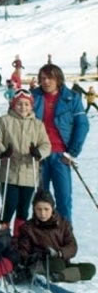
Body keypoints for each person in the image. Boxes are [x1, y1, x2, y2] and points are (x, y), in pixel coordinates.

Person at [32, 64, 90, 222]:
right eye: (42, 78)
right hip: (39, 155)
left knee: (63, 199)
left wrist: (72, 152)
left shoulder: (71, 97)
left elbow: (82, 125)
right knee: (40, 200)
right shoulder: (33, 96)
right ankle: (39, 238)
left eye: (49, 78)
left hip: (61, 156)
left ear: (58, 79)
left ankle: (64, 236)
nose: (46, 82)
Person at [0, 89, 50, 234]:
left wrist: (38, 153)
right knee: (9, 205)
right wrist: (3, 151)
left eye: (26, 104)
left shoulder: (37, 124)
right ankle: (3, 235)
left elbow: (46, 144)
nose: (23, 107)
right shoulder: (5, 121)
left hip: (29, 173)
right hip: (10, 171)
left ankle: (19, 237)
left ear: (31, 106)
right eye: (20, 104)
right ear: (13, 105)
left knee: (24, 208)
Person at [17, 190, 95, 283]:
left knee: (90, 269)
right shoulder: (28, 227)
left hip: (61, 261)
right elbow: (23, 251)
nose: (42, 213)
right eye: (39, 209)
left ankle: (59, 277)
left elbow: (72, 246)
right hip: (41, 263)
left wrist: (59, 253)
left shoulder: (63, 224)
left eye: (46, 209)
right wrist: (35, 256)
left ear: (52, 208)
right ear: (34, 209)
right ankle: (39, 273)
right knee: (57, 264)